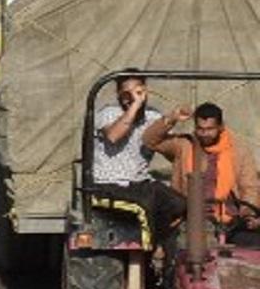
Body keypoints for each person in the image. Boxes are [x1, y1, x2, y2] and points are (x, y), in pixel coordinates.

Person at [89, 74, 186, 244]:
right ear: (119, 94)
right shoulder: (109, 113)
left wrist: (172, 118)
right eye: (127, 94)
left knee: (180, 204)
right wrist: (135, 104)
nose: (132, 97)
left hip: (140, 182)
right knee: (146, 204)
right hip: (110, 183)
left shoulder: (152, 116)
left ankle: (165, 248)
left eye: (138, 91)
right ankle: (151, 251)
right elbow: (113, 136)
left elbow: (166, 145)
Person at [142, 101, 260, 228]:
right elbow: (149, 140)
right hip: (188, 217)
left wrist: (248, 214)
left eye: (210, 129)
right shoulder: (184, 145)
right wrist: (172, 118)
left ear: (221, 127)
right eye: (200, 129)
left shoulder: (239, 149)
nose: (204, 134)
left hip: (229, 220)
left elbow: (249, 187)